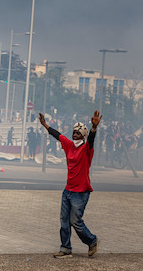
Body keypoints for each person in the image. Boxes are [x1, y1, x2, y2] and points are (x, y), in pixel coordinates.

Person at [38, 111, 101, 259]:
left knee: (75, 221)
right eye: (73, 133)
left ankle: (92, 240)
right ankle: (65, 248)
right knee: (64, 221)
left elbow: (91, 139)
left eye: (78, 134)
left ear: (83, 136)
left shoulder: (87, 150)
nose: (74, 136)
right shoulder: (68, 145)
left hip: (81, 191)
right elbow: (57, 134)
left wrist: (94, 128)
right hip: (68, 190)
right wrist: (45, 125)